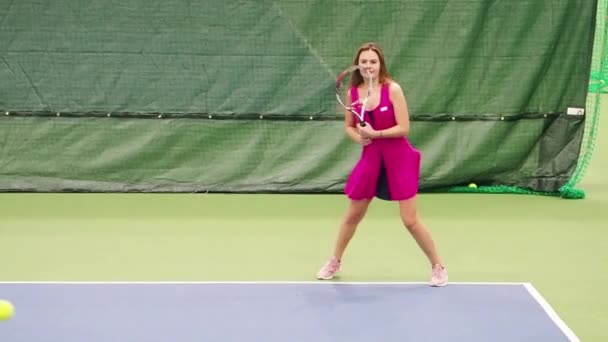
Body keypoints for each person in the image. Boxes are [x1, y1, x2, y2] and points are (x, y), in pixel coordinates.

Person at [316, 42, 448, 287]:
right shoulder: (353, 94)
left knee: (410, 220)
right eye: (364, 62)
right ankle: (335, 260)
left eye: (373, 62)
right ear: (358, 64)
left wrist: (376, 133)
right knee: (353, 215)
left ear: (380, 64)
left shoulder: (393, 89)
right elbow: (349, 126)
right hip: (371, 160)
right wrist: (360, 137)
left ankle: (438, 266)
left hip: (399, 159)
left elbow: (404, 128)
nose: (368, 66)